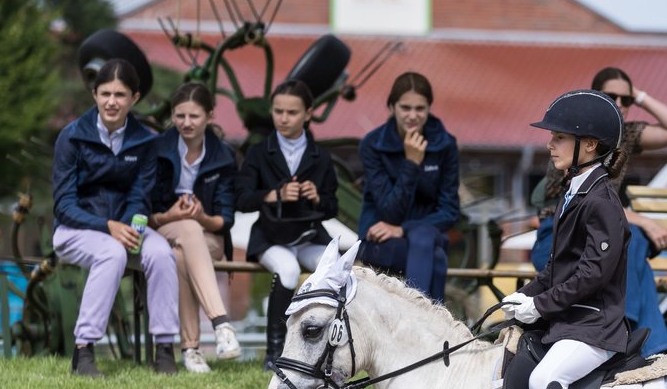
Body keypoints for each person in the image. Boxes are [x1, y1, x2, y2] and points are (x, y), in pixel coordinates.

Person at [500, 90, 631, 389]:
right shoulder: (576, 192)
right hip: (570, 320)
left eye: (559, 138)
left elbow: (595, 273)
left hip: (595, 324)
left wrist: (542, 305)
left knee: (544, 379)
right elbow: (558, 267)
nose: (550, 145)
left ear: (588, 145)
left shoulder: (602, 201)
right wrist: (526, 295)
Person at [530, 67, 667, 358]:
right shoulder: (574, 142)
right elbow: (582, 205)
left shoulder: (624, 136)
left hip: (600, 238)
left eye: (625, 99)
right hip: (561, 237)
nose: (619, 103)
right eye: (610, 97)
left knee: (634, 250)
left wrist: (640, 97)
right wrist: (643, 220)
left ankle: (640, 344)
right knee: (634, 246)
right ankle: (635, 340)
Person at [52, 58, 180, 377]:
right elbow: (63, 205)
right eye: (105, 93)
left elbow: (140, 196)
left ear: (134, 98)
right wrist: (109, 228)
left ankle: (164, 350)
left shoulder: (146, 141)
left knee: (163, 253)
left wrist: (129, 225)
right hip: (75, 229)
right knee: (111, 252)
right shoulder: (71, 137)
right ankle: (83, 352)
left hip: (124, 226)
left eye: (120, 95)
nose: (112, 102)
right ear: (94, 95)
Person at [236, 79, 339, 369]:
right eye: (278, 111)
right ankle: (274, 352)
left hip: (308, 235)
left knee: (337, 271)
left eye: (291, 112)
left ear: (308, 113)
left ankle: (327, 350)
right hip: (271, 237)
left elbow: (333, 206)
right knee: (288, 270)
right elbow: (241, 199)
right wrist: (273, 194)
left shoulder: (321, 157)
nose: (283, 118)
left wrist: (317, 196)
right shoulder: (258, 153)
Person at [150, 82, 241, 373]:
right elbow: (146, 211)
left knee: (182, 254)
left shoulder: (223, 156)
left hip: (209, 238)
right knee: (186, 230)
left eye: (194, 116)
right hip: (163, 230)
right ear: (172, 116)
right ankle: (221, 324)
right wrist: (172, 215)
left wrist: (201, 217)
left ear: (210, 116)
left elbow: (225, 220)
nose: (186, 123)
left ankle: (190, 350)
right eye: (179, 116)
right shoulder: (157, 149)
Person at [357, 71, 460, 302]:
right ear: (392, 107)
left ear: (429, 108)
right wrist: (412, 163)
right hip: (381, 239)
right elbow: (389, 212)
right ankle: (427, 324)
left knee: (424, 238)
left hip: (424, 235)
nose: (413, 116)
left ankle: (415, 321)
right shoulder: (373, 145)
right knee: (436, 257)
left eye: (420, 109)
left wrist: (405, 229)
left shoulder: (445, 145)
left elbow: (450, 210)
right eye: (405, 108)